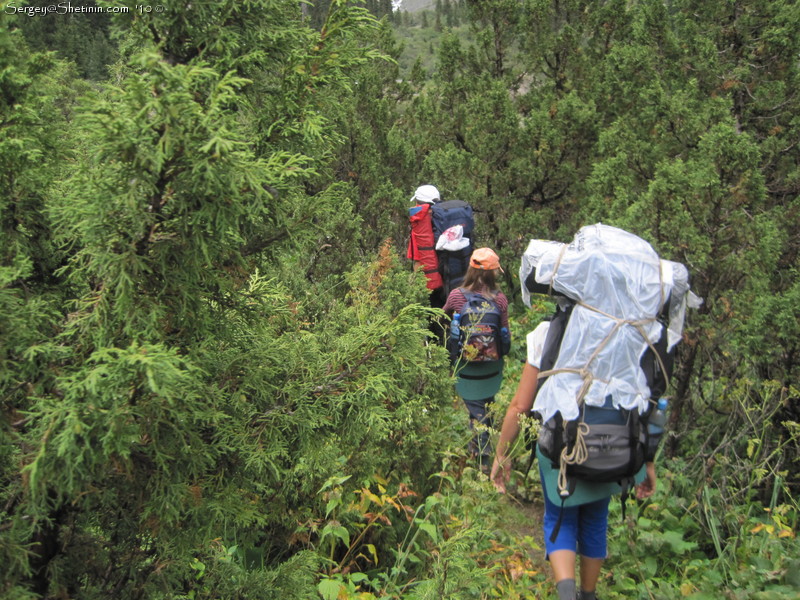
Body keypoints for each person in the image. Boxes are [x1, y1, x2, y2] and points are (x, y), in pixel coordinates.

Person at [490, 318, 657, 600]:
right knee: (595, 519)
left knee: (560, 517)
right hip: (612, 450)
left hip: (563, 449)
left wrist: (502, 453)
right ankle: (588, 595)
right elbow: (646, 401)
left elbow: (521, 404)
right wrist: (648, 461)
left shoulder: (548, 332)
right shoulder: (628, 330)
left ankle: (566, 595)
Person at [443, 247, 510, 472]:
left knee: (478, 412)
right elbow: (505, 339)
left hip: (465, 367)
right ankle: (480, 453)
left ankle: (482, 460)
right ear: (494, 273)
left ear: (470, 269)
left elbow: (443, 321)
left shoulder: (456, 296)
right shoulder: (500, 300)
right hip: (491, 367)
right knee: (484, 409)